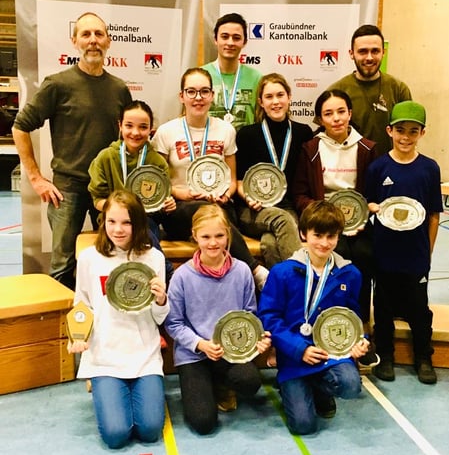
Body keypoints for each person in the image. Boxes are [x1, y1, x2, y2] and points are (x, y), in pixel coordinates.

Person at [12, 12, 132, 289]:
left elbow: (129, 136)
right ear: (74, 41)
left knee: (114, 258)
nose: (93, 40)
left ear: (108, 41)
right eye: (86, 34)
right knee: (63, 264)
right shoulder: (58, 84)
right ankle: (67, 316)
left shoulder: (119, 89)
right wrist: (36, 178)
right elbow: (20, 127)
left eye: (99, 34)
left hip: (109, 188)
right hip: (68, 189)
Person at [68, 189, 169, 449]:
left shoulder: (154, 258)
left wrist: (161, 300)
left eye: (126, 222)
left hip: (144, 355)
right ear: (103, 222)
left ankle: (138, 390)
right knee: (116, 435)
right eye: (111, 221)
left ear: (138, 224)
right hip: (105, 357)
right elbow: (82, 304)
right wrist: (78, 336)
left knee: (150, 431)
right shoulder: (89, 258)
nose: (118, 229)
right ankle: (102, 386)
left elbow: (159, 318)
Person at [257, 200, 369, 435]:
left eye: (331, 236)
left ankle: (319, 390)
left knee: (351, 385)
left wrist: (359, 341)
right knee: (303, 426)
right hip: (294, 356)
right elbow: (269, 317)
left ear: (339, 236)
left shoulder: (350, 274)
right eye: (317, 235)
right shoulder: (282, 272)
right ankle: (293, 387)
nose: (324, 243)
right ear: (303, 234)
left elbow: (353, 318)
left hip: (331, 355)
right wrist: (300, 349)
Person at [151, 67, 268, 290]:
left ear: (212, 96)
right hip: (181, 210)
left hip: (220, 207)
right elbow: (159, 183)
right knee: (202, 210)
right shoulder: (167, 132)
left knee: (215, 214)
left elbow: (232, 180)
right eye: (191, 91)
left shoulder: (226, 130)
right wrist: (182, 193)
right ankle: (256, 271)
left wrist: (226, 193)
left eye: (204, 91)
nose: (198, 97)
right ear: (182, 96)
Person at [164, 204, 271, 435]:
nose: (213, 243)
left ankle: (220, 382)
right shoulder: (182, 276)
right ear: (195, 236)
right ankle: (205, 382)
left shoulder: (242, 271)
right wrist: (201, 344)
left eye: (219, 236)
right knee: (203, 422)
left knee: (250, 382)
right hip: (194, 353)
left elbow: (249, 314)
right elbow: (174, 323)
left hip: (230, 351)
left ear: (228, 235)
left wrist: (257, 339)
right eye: (206, 237)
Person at [365, 101, 442, 384]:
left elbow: (433, 215)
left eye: (413, 131)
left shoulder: (429, 168)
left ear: (423, 133)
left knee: (419, 308)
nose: (406, 137)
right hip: (385, 251)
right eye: (400, 130)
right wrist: (372, 207)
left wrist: (428, 252)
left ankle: (424, 356)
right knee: (383, 307)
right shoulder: (378, 167)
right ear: (389, 131)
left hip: (416, 253)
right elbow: (368, 203)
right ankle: (385, 355)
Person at [294, 89, 378, 325]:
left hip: (358, 223)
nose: (336, 118)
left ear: (350, 113)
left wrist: (367, 209)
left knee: (365, 254)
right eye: (328, 114)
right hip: (324, 222)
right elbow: (299, 194)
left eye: (341, 111)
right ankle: (327, 321)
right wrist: (321, 211)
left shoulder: (367, 148)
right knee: (337, 253)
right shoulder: (311, 149)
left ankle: (360, 324)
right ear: (320, 119)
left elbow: (373, 193)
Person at [87, 100, 176, 282]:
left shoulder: (157, 162)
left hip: (147, 219)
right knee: (138, 226)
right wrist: (120, 210)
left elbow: (161, 199)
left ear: (151, 129)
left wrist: (167, 204)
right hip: (113, 220)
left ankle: (156, 278)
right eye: (129, 125)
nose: (135, 132)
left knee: (143, 225)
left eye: (143, 127)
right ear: (120, 125)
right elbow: (97, 200)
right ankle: (167, 274)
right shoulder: (105, 157)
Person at [235, 73, 313, 268]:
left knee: (270, 243)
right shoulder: (246, 135)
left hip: (287, 207)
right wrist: (249, 198)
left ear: (289, 97)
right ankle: (302, 278)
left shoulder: (303, 133)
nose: (275, 102)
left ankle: (277, 286)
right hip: (251, 210)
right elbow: (238, 181)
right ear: (261, 102)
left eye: (280, 95)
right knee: (283, 221)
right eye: (269, 97)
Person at [328, 24, 411, 156]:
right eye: (363, 51)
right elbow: (327, 137)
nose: (369, 57)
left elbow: (408, 133)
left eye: (375, 51)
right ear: (351, 54)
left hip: (388, 165)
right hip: (349, 165)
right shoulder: (336, 91)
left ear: (383, 52)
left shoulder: (399, 89)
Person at [202, 12, 262, 131]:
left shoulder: (257, 78)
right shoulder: (200, 75)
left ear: (244, 42)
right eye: (224, 37)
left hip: (245, 142)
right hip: (207, 141)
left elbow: (261, 120)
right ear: (215, 39)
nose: (230, 43)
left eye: (236, 38)